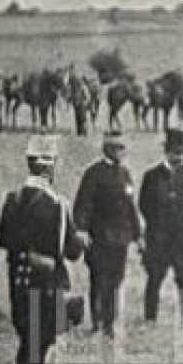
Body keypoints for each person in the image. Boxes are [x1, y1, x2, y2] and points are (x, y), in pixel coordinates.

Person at [0, 135, 84, 364]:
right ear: (49, 168)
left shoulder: (12, 199)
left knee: (26, 340)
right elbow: (70, 251)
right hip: (46, 283)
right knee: (42, 345)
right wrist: (81, 239)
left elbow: (3, 240)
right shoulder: (58, 205)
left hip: (17, 281)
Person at [71, 128, 141, 338]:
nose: (122, 152)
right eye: (118, 148)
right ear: (107, 149)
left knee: (116, 280)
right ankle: (97, 322)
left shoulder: (125, 174)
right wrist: (82, 230)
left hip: (120, 239)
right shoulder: (94, 173)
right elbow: (83, 204)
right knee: (99, 279)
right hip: (99, 237)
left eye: (123, 148)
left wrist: (138, 235)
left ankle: (110, 324)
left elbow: (131, 207)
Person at [139, 128, 183, 330]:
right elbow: (144, 204)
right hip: (159, 238)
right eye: (174, 152)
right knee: (155, 278)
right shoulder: (152, 176)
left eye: (181, 152)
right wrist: (157, 226)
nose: (178, 156)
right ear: (166, 151)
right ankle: (150, 318)